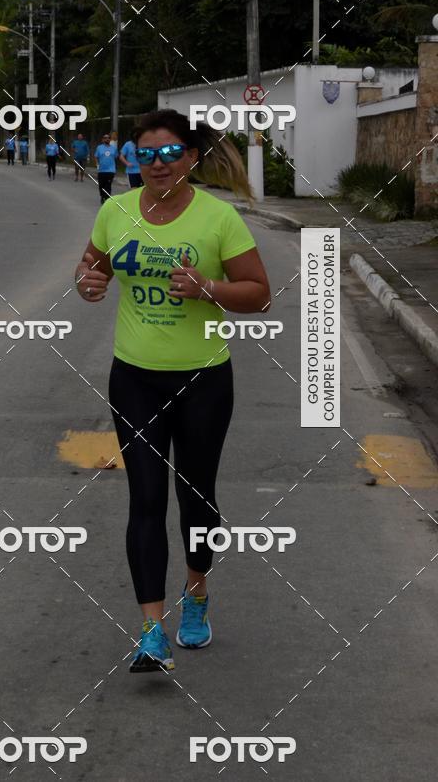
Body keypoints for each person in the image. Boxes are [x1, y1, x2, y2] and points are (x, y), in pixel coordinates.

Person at [74, 109, 270, 673]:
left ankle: (198, 595)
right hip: (133, 376)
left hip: (204, 379)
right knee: (145, 499)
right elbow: (92, 267)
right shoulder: (115, 212)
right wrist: (90, 283)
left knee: (196, 497)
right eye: (145, 155)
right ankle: (150, 631)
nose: (156, 165)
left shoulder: (218, 219)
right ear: (132, 159)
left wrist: (208, 288)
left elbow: (259, 295)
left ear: (190, 158)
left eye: (168, 154)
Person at [93, 133, 117, 204]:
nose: (107, 139)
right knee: (101, 185)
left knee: (108, 185)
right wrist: (97, 164)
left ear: (110, 139)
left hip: (111, 170)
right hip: (101, 170)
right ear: (103, 140)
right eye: (105, 138)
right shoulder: (99, 147)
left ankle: (107, 199)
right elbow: (96, 156)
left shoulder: (114, 148)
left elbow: (116, 157)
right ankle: (102, 196)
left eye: (108, 138)